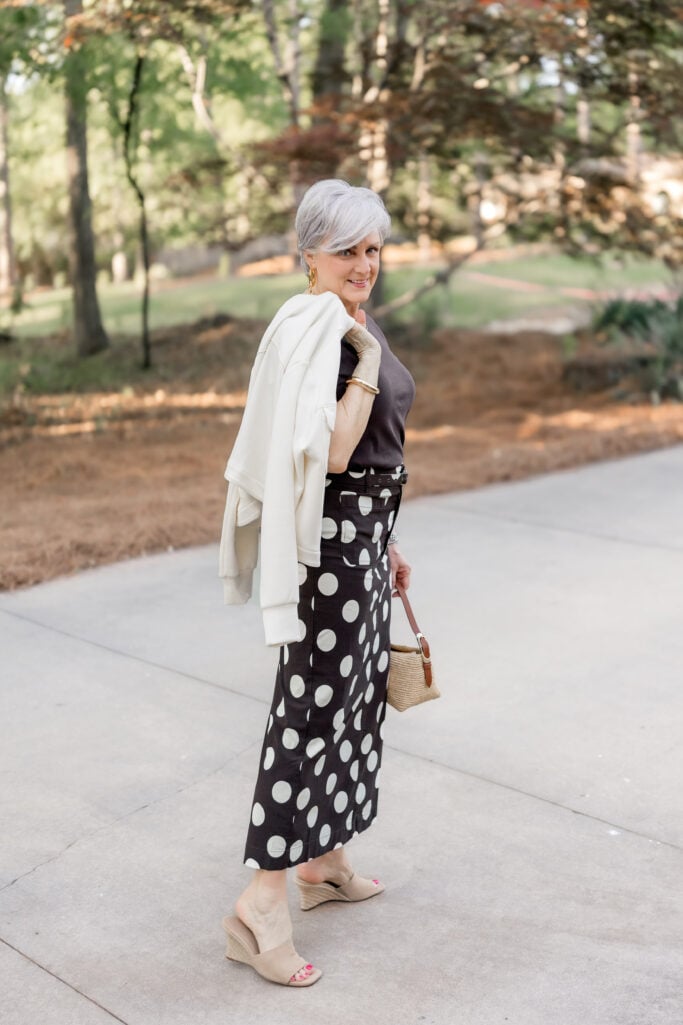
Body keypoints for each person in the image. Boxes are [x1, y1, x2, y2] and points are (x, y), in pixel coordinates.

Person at [218, 179, 415, 987]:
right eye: (347, 249)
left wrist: (390, 538)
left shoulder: (348, 320)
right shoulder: (317, 328)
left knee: (353, 702)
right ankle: (259, 904)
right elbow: (332, 454)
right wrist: (364, 357)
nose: (364, 263)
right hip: (328, 553)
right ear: (309, 253)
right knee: (308, 713)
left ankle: (321, 860)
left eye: (373, 248)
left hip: (363, 540)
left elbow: (374, 455)